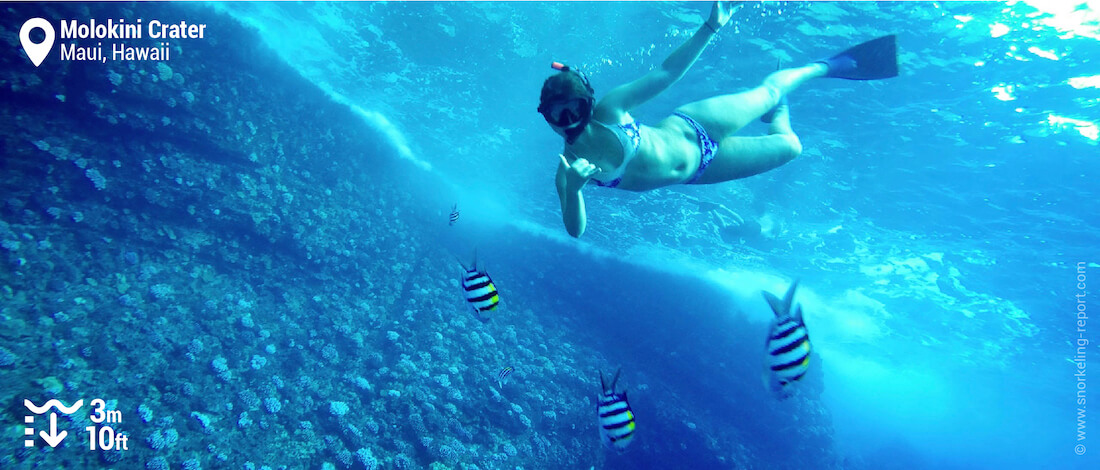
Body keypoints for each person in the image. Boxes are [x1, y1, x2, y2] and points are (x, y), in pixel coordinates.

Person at [539, 1, 897, 238]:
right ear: (548, 119)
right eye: (559, 115)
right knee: (791, 146)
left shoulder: (610, 110)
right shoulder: (568, 169)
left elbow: (666, 72)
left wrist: (711, 26)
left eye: (577, 108)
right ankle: (782, 110)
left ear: (589, 103)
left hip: (696, 126)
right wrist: (574, 189)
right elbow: (575, 230)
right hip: (701, 172)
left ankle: (825, 67)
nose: (571, 121)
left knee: (768, 92)